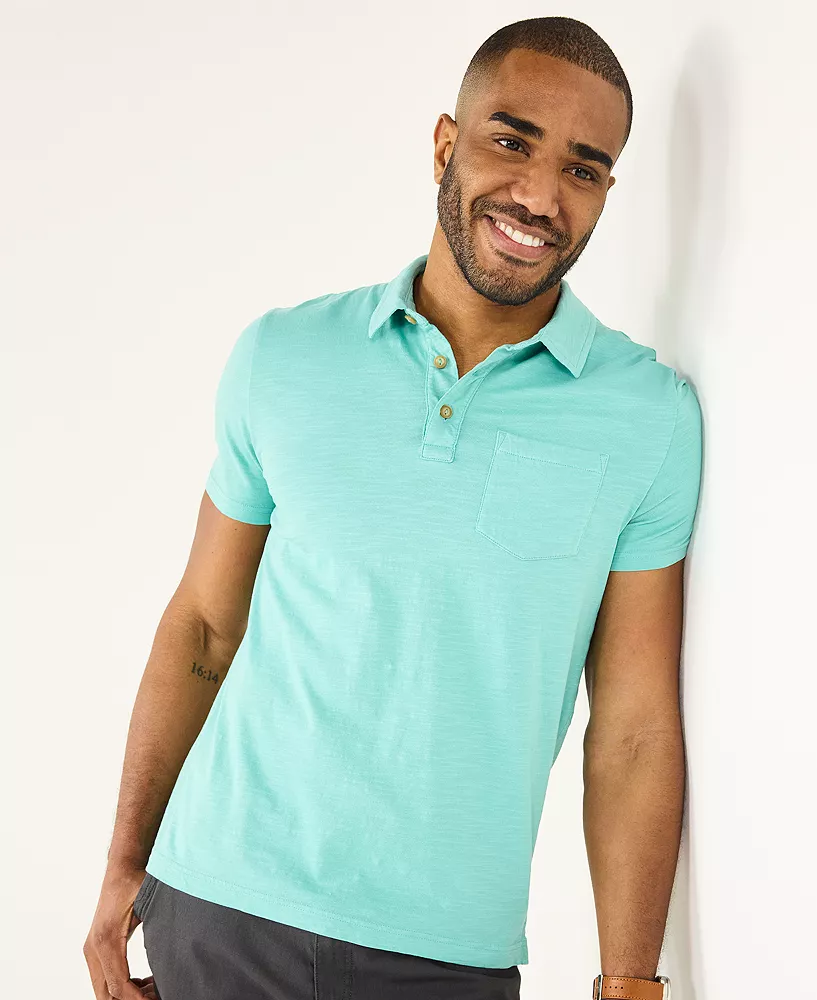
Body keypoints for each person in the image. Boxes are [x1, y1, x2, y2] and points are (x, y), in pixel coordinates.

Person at [83, 15, 702, 1000]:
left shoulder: (647, 418)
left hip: (447, 954)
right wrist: (127, 862)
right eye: (512, 142)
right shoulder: (284, 355)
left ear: (606, 193)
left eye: (582, 169)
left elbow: (631, 728)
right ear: (445, 145)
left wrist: (630, 984)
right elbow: (203, 626)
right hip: (218, 907)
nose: (540, 196)